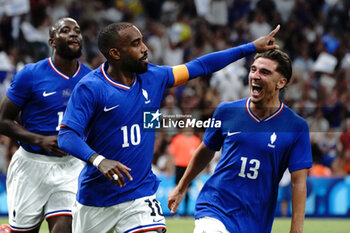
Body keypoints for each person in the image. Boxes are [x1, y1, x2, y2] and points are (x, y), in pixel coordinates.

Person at [57, 22, 280, 233]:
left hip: (139, 195)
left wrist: (251, 47)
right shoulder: (91, 87)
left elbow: (201, 66)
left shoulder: (155, 76)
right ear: (115, 53)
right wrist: (99, 160)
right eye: (135, 44)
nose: (145, 49)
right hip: (96, 198)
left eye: (142, 41)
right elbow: (66, 135)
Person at [168, 49, 313, 233]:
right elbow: (206, 150)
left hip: (256, 219)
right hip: (215, 206)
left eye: (265, 72)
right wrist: (181, 187)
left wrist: (296, 229)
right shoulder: (226, 111)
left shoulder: (296, 126)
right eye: (253, 69)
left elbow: (298, 181)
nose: (255, 76)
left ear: (281, 82)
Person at [0, 18, 91, 233]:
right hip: (31, 165)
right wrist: (40, 140)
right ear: (52, 40)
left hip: (71, 167)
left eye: (77, 31)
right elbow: (3, 120)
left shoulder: (90, 78)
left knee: (65, 227)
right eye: (65, 31)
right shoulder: (30, 74)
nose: (74, 34)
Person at [168, 127, 201, 216]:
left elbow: (199, 156)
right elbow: (172, 154)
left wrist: (199, 170)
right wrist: (170, 168)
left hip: (190, 167)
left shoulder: (196, 140)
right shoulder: (177, 139)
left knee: (187, 190)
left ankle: (185, 211)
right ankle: (175, 211)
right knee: (177, 189)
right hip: (179, 166)